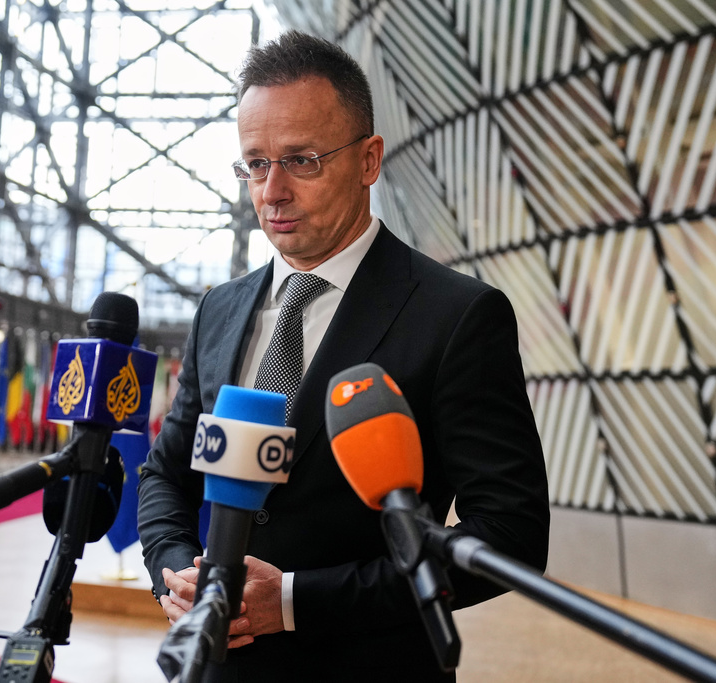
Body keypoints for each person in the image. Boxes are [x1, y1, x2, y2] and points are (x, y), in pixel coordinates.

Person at [137, 30, 550, 681]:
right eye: (255, 163)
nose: (271, 191)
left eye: (301, 160)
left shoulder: (456, 316)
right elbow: (165, 473)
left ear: (368, 160)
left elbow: (510, 534)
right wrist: (177, 574)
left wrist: (294, 601)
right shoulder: (219, 309)